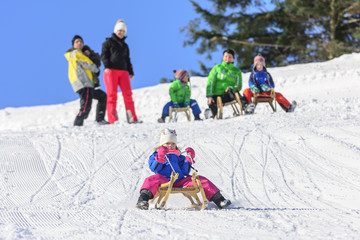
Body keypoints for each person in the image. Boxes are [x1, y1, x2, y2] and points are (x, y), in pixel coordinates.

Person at [136, 128, 231, 210]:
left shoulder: (179, 156)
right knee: (151, 180)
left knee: (200, 179)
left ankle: (219, 199)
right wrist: (160, 157)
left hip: (181, 180)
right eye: (167, 143)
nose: (170, 145)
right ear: (162, 145)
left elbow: (185, 171)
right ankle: (143, 200)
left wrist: (188, 159)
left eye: (172, 143)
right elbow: (153, 168)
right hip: (164, 179)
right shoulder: (156, 155)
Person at [101, 19, 141, 124]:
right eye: (119, 30)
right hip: (111, 71)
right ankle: (112, 119)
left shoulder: (125, 46)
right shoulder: (108, 42)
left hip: (123, 71)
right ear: (115, 31)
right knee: (112, 95)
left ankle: (132, 118)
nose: (121, 32)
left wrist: (130, 71)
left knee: (128, 95)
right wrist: (107, 66)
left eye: (123, 31)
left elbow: (127, 59)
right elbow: (104, 55)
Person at [64, 35, 108, 126]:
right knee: (86, 107)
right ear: (73, 45)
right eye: (77, 42)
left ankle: (100, 119)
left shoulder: (78, 54)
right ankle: (78, 124)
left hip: (86, 83)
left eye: (81, 41)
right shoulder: (76, 53)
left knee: (102, 96)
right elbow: (88, 64)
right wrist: (96, 69)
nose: (79, 43)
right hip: (84, 83)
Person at [206, 49, 251, 118]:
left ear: (233, 59)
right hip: (216, 95)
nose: (227, 58)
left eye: (230, 57)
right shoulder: (217, 68)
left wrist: (231, 87)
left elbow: (238, 85)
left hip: (228, 95)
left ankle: (246, 106)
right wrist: (209, 96)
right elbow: (210, 82)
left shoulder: (236, 71)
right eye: (226, 56)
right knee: (212, 102)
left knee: (234, 91)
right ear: (223, 57)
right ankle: (211, 113)